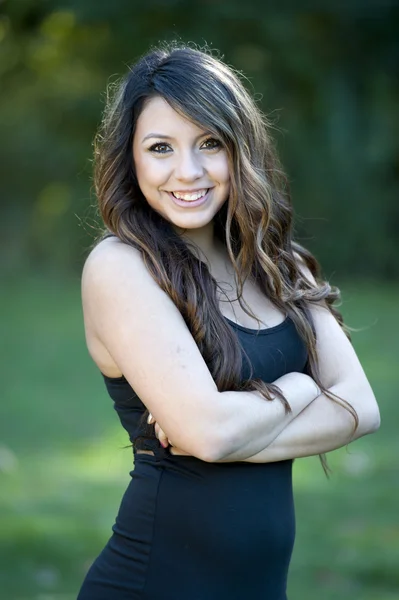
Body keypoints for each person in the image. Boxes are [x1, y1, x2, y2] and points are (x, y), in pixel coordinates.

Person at [77, 42, 380, 600]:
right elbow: (209, 435)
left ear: (239, 151)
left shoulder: (276, 263)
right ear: (131, 158)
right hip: (152, 584)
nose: (187, 171)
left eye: (209, 144)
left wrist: (229, 427)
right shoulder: (121, 266)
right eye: (161, 147)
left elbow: (362, 407)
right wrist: (301, 387)